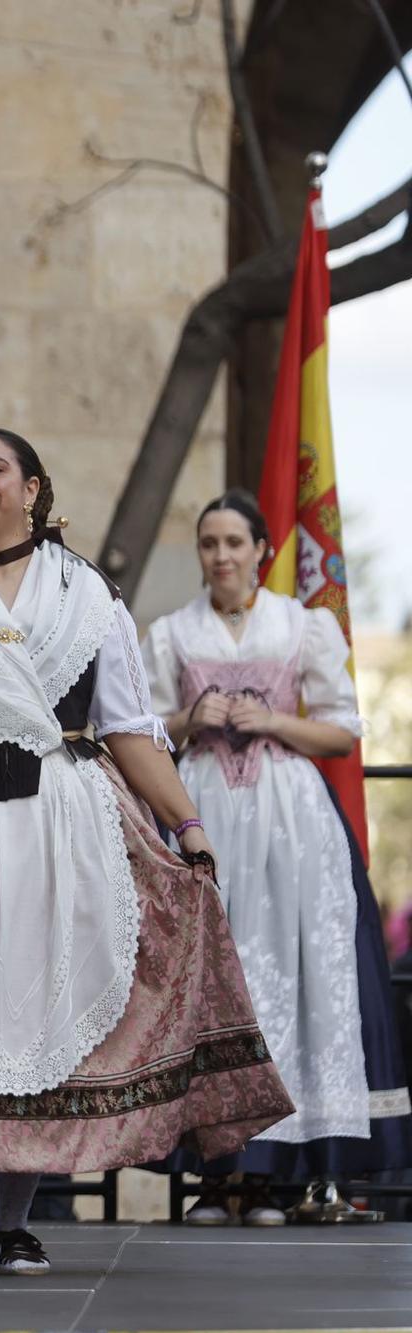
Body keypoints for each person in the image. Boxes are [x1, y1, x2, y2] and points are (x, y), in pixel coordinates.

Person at [0, 429, 293, 1279]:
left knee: (47, 993)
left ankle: (15, 1217)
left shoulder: (90, 597)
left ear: (34, 488)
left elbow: (129, 727)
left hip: (64, 814)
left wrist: (187, 825)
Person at [145, 490, 411, 1223]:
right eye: (209, 543)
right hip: (205, 813)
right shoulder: (172, 633)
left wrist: (274, 721)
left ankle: (274, 1174)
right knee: (215, 985)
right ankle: (215, 1172)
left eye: (235, 542)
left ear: (263, 550)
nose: (222, 556)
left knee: (292, 982)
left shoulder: (305, 626)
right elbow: (139, 733)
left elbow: (343, 732)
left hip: (291, 823)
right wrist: (187, 718)